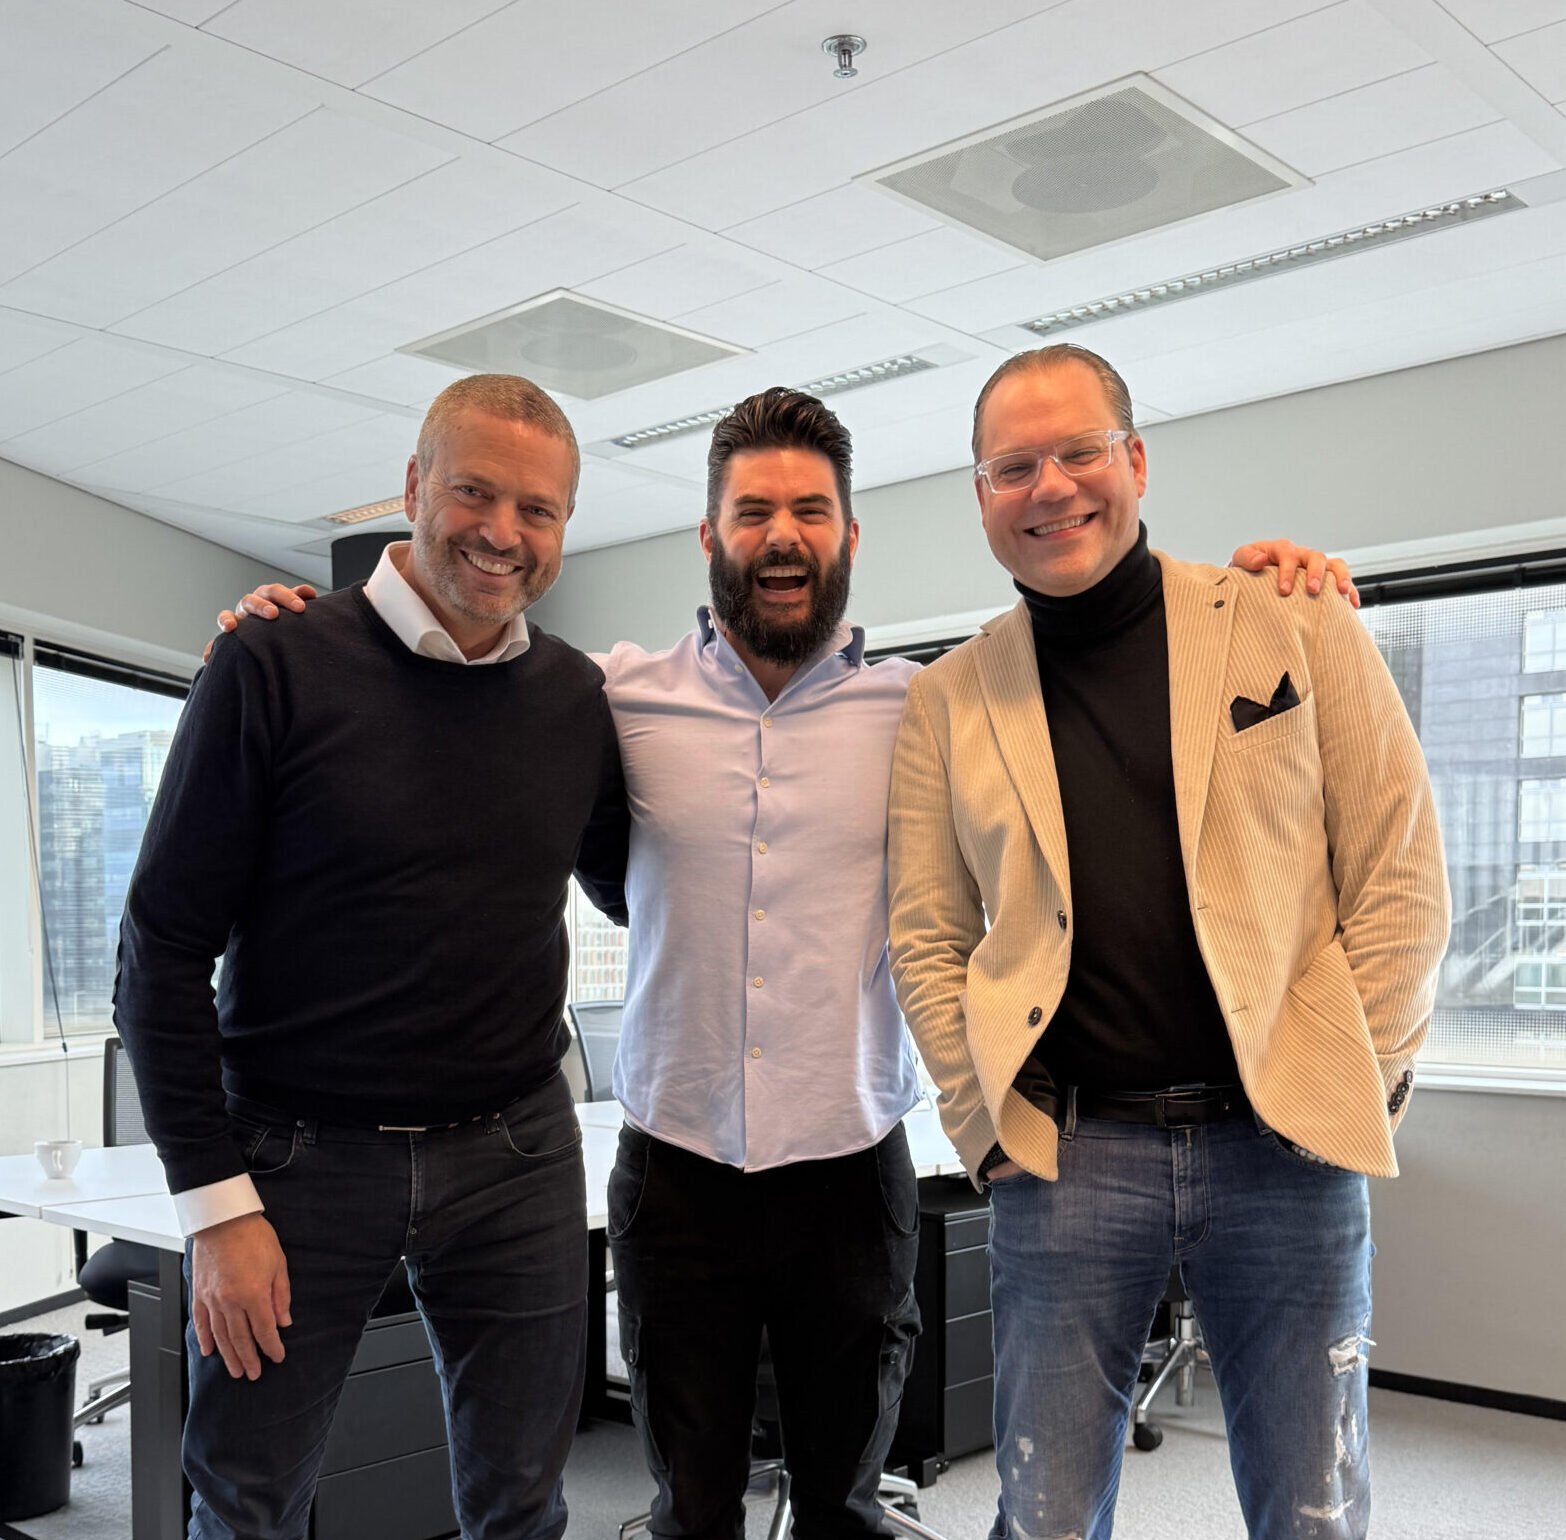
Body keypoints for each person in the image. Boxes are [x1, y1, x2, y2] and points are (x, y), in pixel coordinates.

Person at [220, 384, 1352, 1540]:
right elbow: (454, 677)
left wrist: (1268, 584)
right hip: (676, 1175)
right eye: (753, 510)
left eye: (811, 510)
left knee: (844, 1504)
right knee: (689, 1505)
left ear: (849, 538)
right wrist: (302, 623)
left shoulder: (932, 705)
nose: (782, 535)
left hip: (850, 1173)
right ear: (710, 536)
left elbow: (1092, 676)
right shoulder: (611, 694)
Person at [886, 343, 1450, 1540]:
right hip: (1069, 1152)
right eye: (1012, 465)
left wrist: (1360, 1075)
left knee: (1315, 1511)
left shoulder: (1289, 621)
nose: (1051, 486)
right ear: (981, 497)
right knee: (1040, 1515)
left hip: (1287, 1145)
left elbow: (1400, 875)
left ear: (1134, 461)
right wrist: (983, 1129)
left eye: (1079, 450)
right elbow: (929, 937)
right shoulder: (948, 699)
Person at [114, 373, 630, 1540]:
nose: (503, 532)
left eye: (538, 509)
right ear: (411, 489)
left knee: (524, 1503)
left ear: (564, 528)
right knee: (248, 1502)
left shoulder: (577, 701)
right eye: (474, 492)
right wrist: (214, 1209)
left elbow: (640, 881)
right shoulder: (275, 662)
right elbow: (158, 955)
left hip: (515, 1153)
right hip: (296, 1162)